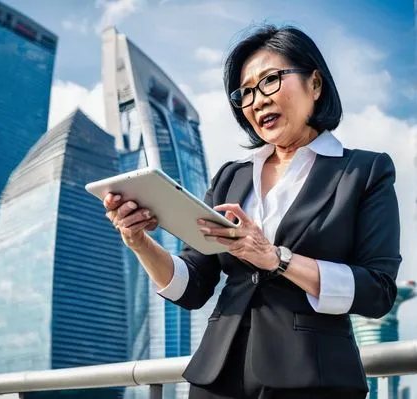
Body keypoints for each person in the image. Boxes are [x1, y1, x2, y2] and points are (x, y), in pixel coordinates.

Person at [102, 24, 401, 398]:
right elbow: (192, 286)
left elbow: (378, 291)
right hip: (217, 377)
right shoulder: (232, 177)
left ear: (316, 84)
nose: (257, 100)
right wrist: (139, 241)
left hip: (312, 378)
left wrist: (276, 258)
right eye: (245, 92)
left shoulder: (363, 171)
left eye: (271, 80)